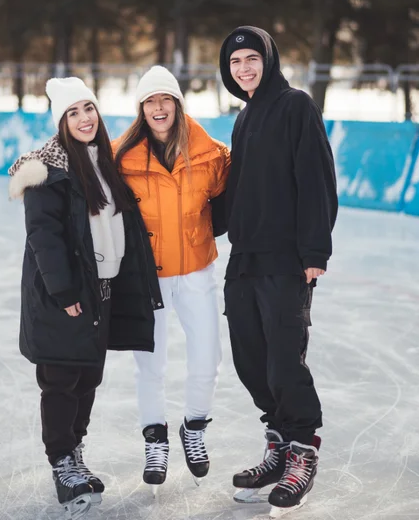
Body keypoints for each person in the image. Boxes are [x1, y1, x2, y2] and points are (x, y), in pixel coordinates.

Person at [8, 77, 162, 519]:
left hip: (103, 289)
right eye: (73, 113)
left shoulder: (104, 162)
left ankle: (75, 453)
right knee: (60, 379)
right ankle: (61, 460)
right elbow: (44, 236)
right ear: (61, 121)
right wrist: (64, 291)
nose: (84, 119)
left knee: (87, 378)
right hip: (67, 294)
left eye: (88, 109)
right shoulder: (46, 170)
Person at [218, 27, 338, 516]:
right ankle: (278, 444)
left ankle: (302, 449)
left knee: (285, 359)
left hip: (286, 259)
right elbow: (237, 190)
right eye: (235, 62)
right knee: (251, 358)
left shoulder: (295, 106)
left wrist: (314, 252)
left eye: (251, 58)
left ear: (269, 60)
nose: (244, 68)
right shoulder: (244, 118)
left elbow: (316, 179)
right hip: (244, 257)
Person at [113, 65, 230, 490]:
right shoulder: (120, 158)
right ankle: (155, 437)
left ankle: (193, 427)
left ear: (178, 104)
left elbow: (238, 192)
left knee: (207, 358)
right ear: (141, 109)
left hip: (198, 269)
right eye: (149, 101)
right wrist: (35, 164)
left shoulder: (211, 154)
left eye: (165, 99)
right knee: (151, 364)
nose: (158, 107)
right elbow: (79, 169)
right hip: (148, 277)